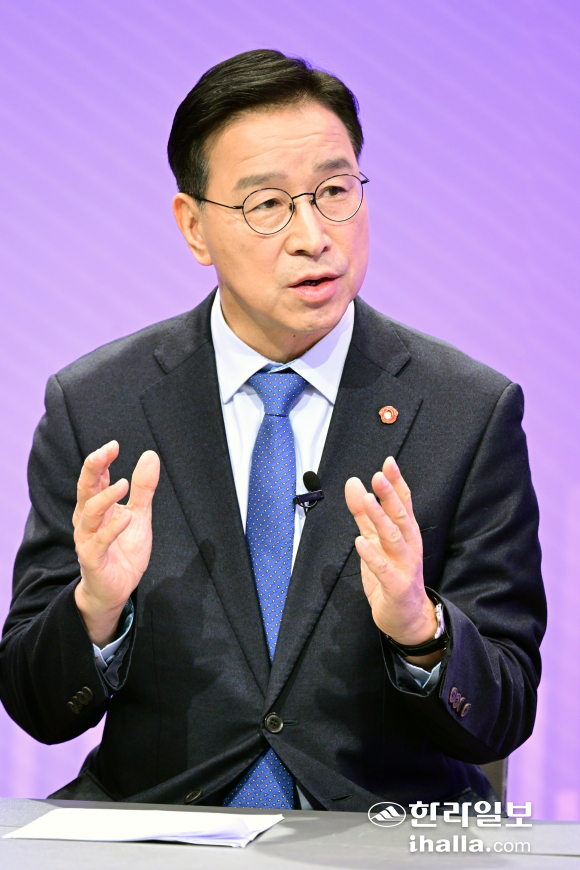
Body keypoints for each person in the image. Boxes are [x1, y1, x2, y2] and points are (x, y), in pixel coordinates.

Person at [0, 49, 546, 811]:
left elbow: (504, 711)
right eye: (267, 205)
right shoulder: (98, 405)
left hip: (377, 834)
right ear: (194, 227)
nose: (313, 235)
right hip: (159, 827)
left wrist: (420, 629)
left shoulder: (466, 411)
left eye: (334, 192)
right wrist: (95, 608)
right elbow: (37, 705)